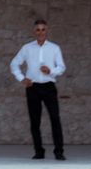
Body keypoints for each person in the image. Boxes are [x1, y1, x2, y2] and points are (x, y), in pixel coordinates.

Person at [10, 19, 66, 160]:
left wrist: (51, 71)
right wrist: (21, 78)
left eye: (43, 29)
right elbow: (14, 64)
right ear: (34, 32)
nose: (40, 32)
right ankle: (38, 151)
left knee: (55, 119)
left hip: (49, 87)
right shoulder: (27, 48)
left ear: (47, 31)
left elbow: (61, 67)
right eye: (38, 30)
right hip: (33, 87)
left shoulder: (54, 48)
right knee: (35, 121)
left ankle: (59, 152)